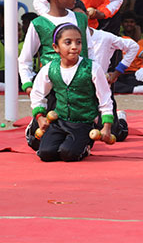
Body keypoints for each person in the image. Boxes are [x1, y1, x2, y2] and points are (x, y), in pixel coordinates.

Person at [19, 0, 94, 152]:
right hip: (52, 88)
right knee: (40, 145)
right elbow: (25, 59)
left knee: (73, 145)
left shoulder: (80, 19)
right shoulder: (39, 24)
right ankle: (35, 128)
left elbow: (90, 51)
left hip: (80, 88)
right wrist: (28, 85)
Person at [30, 23, 115, 162]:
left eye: (78, 42)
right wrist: (40, 117)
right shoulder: (49, 68)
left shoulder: (93, 68)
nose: (75, 47)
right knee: (45, 154)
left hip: (83, 122)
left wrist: (106, 127)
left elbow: (105, 99)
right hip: (59, 120)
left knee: (68, 154)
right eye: (68, 42)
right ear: (55, 47)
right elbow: (38, 94)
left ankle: (86, 145)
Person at [73, 0, 138, 142]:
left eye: (80, 16)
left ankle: (120, 118)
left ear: (87, 16)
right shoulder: (64, 41)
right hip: (75, 94)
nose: (77, 21)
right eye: (71, 17)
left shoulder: (104, 37)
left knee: (116, 134)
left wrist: (117, 72)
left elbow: (133, 46)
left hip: (100, 92)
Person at [113, 13, 143, 94]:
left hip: (133, 74)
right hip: (117, 74)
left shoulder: (126, 40)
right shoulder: (103, 41)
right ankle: (135, 89)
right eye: (126, 22)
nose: (129, 24)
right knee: (107, 83)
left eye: (131, 22)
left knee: (133, 80)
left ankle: (140, 86)